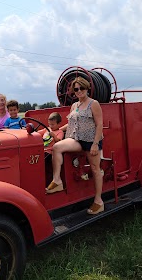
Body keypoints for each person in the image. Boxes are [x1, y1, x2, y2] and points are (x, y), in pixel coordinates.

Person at [46, 76, 104, 215]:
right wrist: (57, 130)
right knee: (56, 147)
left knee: (96, 169)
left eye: (81, 88)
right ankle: (57, 181)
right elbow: (72, 124)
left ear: (86, 88)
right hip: (77, 139)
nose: (79, 91)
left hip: (91, 141)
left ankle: (98, 201)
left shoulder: (93, 103)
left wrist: (95, 144)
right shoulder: (74, 105)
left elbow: (99, 124)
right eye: (76, 89)